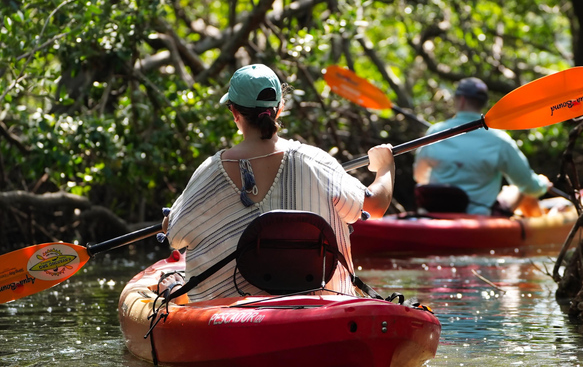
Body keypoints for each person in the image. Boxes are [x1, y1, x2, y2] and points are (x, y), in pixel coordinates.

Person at [160, 64, 394, 301]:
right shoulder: (317, 162)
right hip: (322, 307)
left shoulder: (209, 173)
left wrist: (170, 220)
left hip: (230, 315)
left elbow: (175, 236)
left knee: (171, 288)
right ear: (280, 109)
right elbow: (375, 205)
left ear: (234, 112)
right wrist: (385, 166)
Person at [413, 77, 550, 217]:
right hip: (480, 217)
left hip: (435, 213)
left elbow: (419, 176)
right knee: (517, 189)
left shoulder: (435, 132)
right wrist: (543, 184)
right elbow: (529, 187)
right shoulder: (499, 140)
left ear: (461, 101)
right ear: (483, 103)